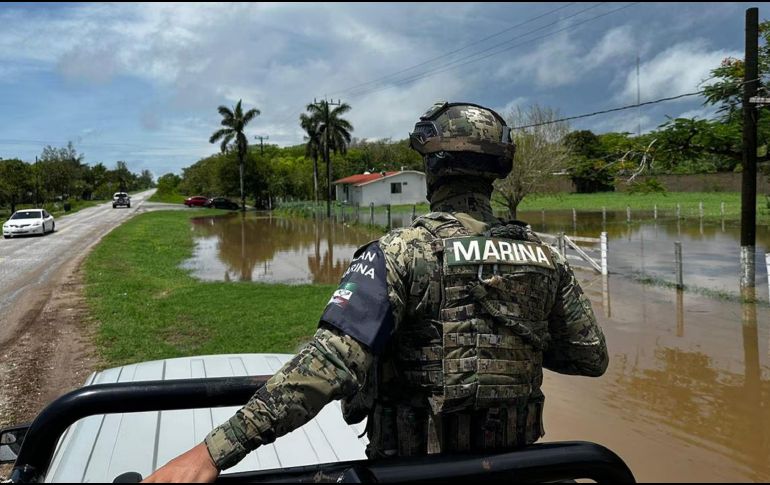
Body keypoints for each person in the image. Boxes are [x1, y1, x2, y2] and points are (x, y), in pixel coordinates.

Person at [143, 102, 608, 483]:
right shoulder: (545, 257)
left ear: (433, 168)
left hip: (415, 474)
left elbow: (328, 365)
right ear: (497, 170)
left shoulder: (401, 251)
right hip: (524, 470)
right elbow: (589, 357)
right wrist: (511, 334)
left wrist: (212, 452)